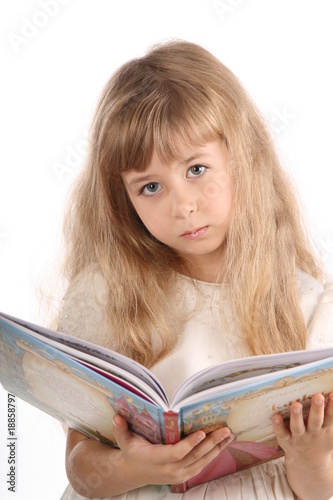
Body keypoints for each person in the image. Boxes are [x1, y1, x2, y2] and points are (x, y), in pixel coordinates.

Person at [58, 40, 333, 499]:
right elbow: (80, 471)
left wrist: (311, 454)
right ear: (122, 201)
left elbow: (317, 491)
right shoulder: (108, 295)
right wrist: (130, 467)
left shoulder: (310, 306)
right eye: (150, 186)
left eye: (197, 169)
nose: (183, 205)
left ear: (243, 158)